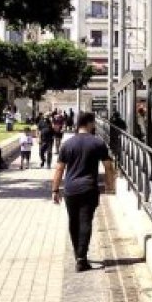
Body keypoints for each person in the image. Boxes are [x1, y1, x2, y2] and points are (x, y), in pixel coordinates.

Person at [51, 111, 116, 272]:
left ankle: (78, 254)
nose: (94, 125)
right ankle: (82, 258)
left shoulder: (67, 144)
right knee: (86, 221)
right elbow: (108, 166)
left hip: (71, 189)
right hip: (89, 188)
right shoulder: (97, 143)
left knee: (73, 222)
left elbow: (59, 169)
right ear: (88, 123)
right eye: (93, 123)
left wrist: (55, 190)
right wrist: (110, 186)